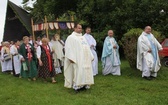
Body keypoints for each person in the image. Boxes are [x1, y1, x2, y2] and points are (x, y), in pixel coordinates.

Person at [64, 23, 94, 92]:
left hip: (85, 59)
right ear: (74, 28)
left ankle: (84, 85)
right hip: (77, 59)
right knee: (78, 72)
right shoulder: (71, 37)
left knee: (85, 71)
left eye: (81, 28)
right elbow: (68, 48)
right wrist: (71, 58)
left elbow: (87, 47)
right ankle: (77, 86)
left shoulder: (83, 37)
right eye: (79, 28)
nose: (80, 29)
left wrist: (90, 56)